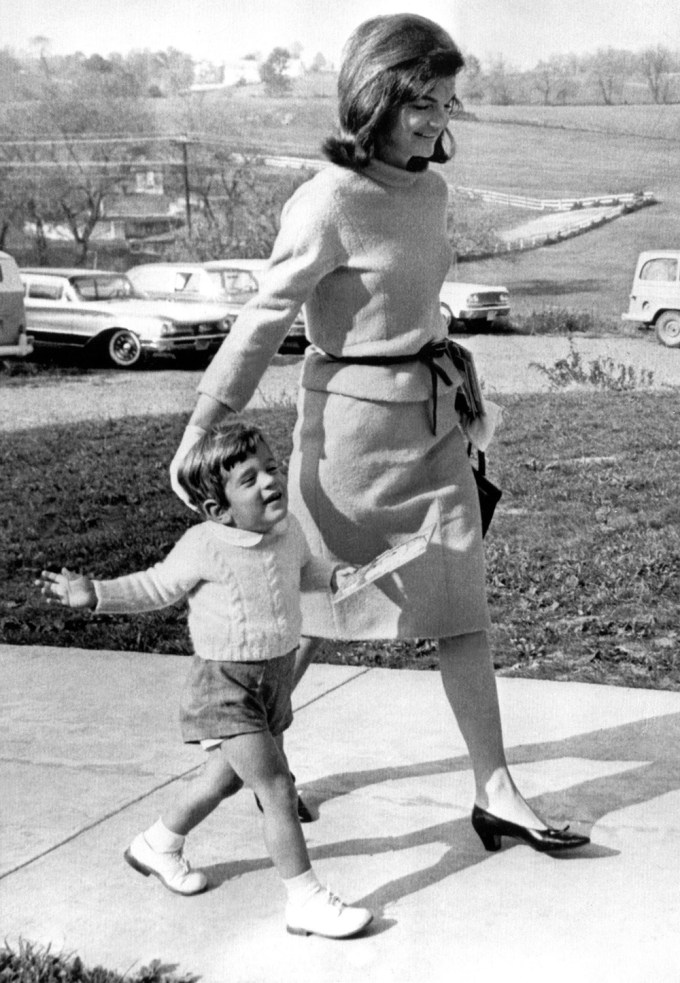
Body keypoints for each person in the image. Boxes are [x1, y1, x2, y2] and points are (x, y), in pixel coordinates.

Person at [171, 14, 590, 854]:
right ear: (374, 100)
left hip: (436, 429)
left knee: (461, 605)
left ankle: (496, 789)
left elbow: (417, 307)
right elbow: (264, 318)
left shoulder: (429, 191)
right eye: (420, 104)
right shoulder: (326, 200)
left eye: (445, 102)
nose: (439, 120)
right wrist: (204, 423)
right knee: (312, 614)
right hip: (352, 445)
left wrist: (466, 411)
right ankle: (254, 766)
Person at [38, 421, 373, 940]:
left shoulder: (289, 532)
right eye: (249, 478)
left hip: (272, 679)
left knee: (224, 779)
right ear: (218, 509)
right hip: (225, 686)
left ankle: (157, 842)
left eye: (271, 467)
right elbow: (155, 586)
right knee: (278, 788)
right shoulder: (205, 544)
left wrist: (333, 575)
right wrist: (97, 593)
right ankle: (305, 900)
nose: (269, 481)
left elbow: (302, 569)